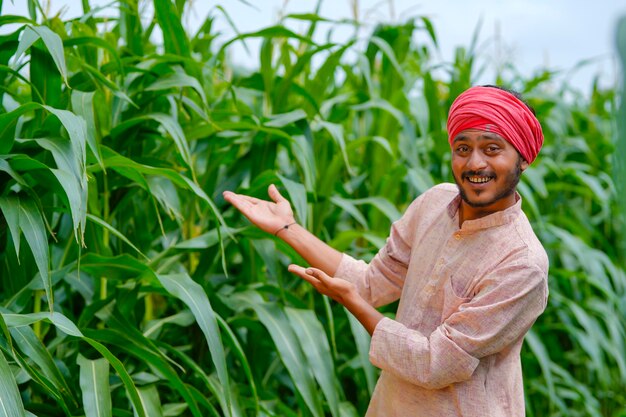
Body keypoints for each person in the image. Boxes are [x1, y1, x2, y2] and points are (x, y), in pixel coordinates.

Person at [223, 85, 548, 417]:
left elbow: (435, 363)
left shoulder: (522, 262)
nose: (474, 163)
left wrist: (353, 303)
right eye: (462, 148)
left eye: (493, 149)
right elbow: (371, 284)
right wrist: (287, 229)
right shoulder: (434, 205)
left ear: (523, 158)